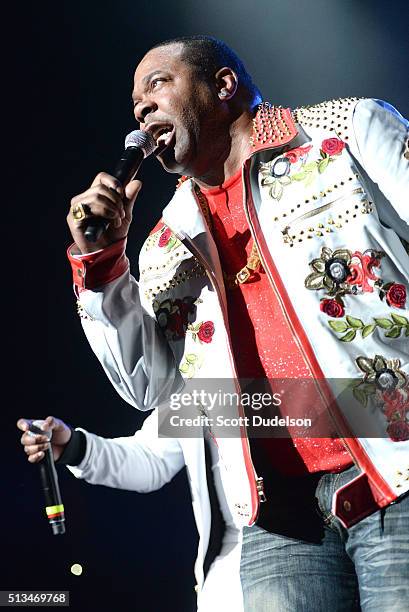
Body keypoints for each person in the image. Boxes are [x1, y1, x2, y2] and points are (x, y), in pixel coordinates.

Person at [19, 35, 409, 611]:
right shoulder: (165, 243)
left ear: (223, 86)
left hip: (397, 475)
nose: (142, 109)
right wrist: (102, 268)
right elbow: (147, 390)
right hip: (281, 523)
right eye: (135, 105)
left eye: (157, 85)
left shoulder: (345, 133)